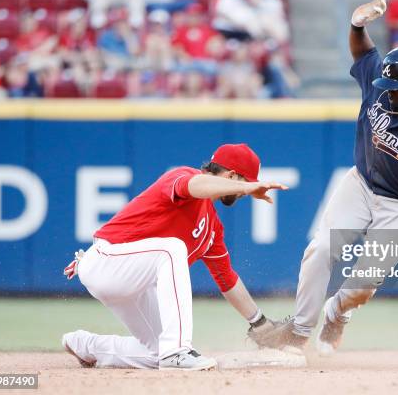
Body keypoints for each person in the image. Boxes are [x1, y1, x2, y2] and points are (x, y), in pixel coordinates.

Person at [250, 0, 398, 356]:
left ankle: (338, 313)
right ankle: (299, 330)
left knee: (363, 286)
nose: (386, 94)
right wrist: (357, 25)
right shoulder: (381, 83)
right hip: (360, 185)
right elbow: (363, 55)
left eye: (396, 90)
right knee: (321, 248)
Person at [62, 144, 286, 370]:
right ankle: (176, 352)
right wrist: (247, 187)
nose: (243, 193)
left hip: (133, 281)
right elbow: (197, 184)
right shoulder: (183, 176)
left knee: (155, 354)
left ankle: (88, 345)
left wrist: (260, 323)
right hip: (107, 262)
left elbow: (227, 279)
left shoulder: (212, 228)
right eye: (244, 183)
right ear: (231, 175)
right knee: (172, 250)